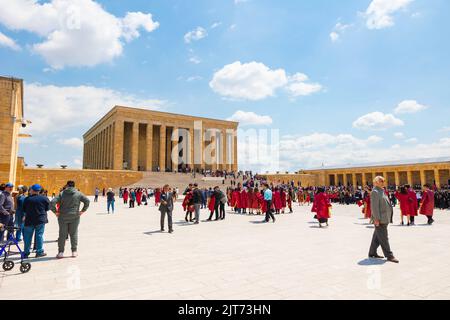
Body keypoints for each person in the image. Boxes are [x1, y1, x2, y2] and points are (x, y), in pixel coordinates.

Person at [50, 181, 90, 259]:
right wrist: (82, 211)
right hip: (75, 216)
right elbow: (87, 201)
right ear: (74, 185)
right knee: (73, 233)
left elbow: (52, 203)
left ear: (67, 185)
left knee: (62, 234)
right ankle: (74, 251)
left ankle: (61, 252)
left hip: (63, 216)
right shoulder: (78, 193)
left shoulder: (62, 193)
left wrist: (56, 212)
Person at [368, 176, 399, 263]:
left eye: (384, 181)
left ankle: (372, 252)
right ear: (376, 182)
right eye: (381, 181)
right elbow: (374, 207)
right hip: (380, 218)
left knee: (377, 237)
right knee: (384, 238)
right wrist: (376, 219)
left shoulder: (381, 191)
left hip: (385, 217)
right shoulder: (375, 192)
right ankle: (389, 255)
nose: (383, 182)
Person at [22, 184, 50, 258]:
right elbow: (47, 208)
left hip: (29, 220)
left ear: (32, 190)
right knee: (39, 236)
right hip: (40, 220)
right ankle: (39, 252)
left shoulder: (27, 199)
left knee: (27, 237)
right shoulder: (44, 198)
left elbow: (24, 209)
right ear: (39, 191)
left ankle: (26, 252)